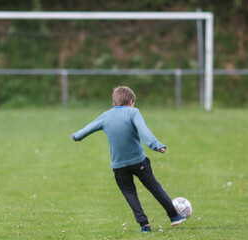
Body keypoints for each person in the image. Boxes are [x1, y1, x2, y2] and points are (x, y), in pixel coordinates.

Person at [71, 86, 186, 233]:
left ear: (114, 103)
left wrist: (77, 136)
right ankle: (174, 216)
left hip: (119, 166)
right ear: (131, 101)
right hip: (139, 161)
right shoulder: (133, 112)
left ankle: (144, 225)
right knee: (154, 187)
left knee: (130, 194)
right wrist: (156, 145)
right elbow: (144, 132)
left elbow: (90, 127)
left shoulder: (106, 115)